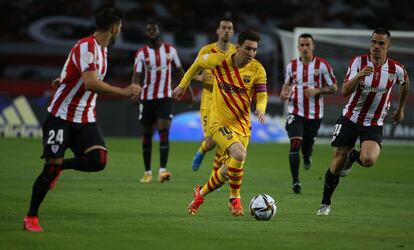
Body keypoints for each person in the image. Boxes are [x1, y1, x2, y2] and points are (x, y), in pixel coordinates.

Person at [23, 6, 141, 232]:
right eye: (120, 26)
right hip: (60, 116)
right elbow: (91, 83)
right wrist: (123, 92)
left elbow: (73, 69)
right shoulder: (86, 46)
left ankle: (60, 168)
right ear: (115, 27)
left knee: (99, 160)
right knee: (49, 168)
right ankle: (31, 216)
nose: (121, 30)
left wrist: (63, 78)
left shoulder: (102, 50)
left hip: (85, 117)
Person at [173, 30, 268, 217]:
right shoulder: (218, 60)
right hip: (218, 123)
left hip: (242, 126)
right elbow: (197, 63)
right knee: (239, 154)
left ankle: (199, 195)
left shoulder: (258, 69)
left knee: (226, 172)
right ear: (238, 47)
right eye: (248, 48)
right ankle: (235, 199)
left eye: (255, 50)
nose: (251, 53)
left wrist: (261, 108)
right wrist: (182, 85)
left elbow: (262, 94)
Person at [317, 28, 410, 215]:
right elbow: (344, 92)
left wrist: (400, 108)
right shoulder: (358, 62)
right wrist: (359, 75)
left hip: (374, 123)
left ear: (388, 46)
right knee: (336, 165)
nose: (376, 46)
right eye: (373, 42)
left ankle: (353, 157)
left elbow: (405, 83)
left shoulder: (396, 69)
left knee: (368, 160)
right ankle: (325, 203)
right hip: (350, 118)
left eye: (381, 43)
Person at [132, 21, 192, 183]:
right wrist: (135, 91)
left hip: (165, 96)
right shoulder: (141, 53)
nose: (151, 32)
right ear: (146, 34)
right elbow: (137, 75)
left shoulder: (170, 51)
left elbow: (180, 71)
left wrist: (189, 91)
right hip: (147, 97)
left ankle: (162, 171)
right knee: (147, 133)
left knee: (164, 130)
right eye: (148, 30)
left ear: (159, 32)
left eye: (154, 29)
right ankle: (147, 172)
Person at [280, 33, 337, 194]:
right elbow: (287, 84)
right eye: (302, 45)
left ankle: (306, 157)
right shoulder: (291, 66)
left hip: (314, 114)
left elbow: (333, 87)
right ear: (298, 48)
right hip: (295, 111)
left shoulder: (322, 65)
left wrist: (318, 90)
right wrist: (284, 93)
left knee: (306, 147)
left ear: (313, 46)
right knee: (295, 144)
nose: (305, 48)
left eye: (307, 45)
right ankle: (295, 181)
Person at [191, 18, 236, 172]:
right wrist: (201, 77)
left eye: (229, 28)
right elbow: (192, 72)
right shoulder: (206, 50)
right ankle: (202, 150)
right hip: (209, 101)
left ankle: (215, 175)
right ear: (218, 31)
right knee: (210, 142)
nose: (226, 30)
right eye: (223, 27)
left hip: (226, 103)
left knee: (224, 140)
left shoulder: (236, 52)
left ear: (233, 32)